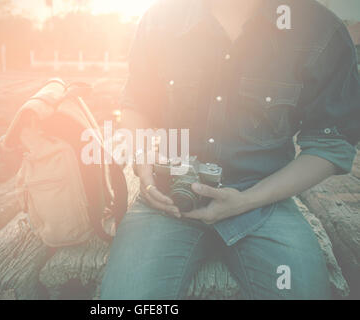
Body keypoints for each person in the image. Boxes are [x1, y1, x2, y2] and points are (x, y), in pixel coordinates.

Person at [100, 0, 360, 299]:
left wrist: (248, 200)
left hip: (265, 203)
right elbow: (137, 105)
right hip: (167, 199)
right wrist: (144, 164)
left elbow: (332, 141)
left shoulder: (319, 29)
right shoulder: (160, 19)